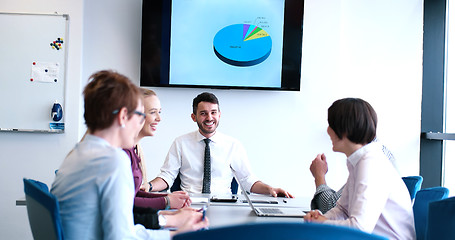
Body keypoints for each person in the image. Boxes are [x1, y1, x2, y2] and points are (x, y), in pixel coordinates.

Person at [51, 70, 208, 240]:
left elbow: (123, 230)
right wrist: (176, 234)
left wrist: (172, 233)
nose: (140, 123)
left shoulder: (78, 154)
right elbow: (121, 237)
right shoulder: (111, 161)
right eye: (141, 115)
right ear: (123, 116)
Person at [304, 98, 415, 240]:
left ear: (344, 129)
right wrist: (320, 218)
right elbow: (342, 210)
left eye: (330, 125)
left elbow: (359, 228)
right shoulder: (360, 161)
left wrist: (323, 223)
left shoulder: (372, 163)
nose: (327, 130)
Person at [149, 92, 293, 197]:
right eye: (203, 113)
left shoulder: (233, 145)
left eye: (213, 112)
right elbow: (167, 176)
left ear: (219, 114)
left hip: (223, 203)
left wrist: (270, 189)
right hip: (188, 203)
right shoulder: (180, 143)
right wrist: (147, 187)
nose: (209, 118)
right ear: (194, 117)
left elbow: (247, 180)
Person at [124, 88, 191, 229]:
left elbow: (134, 194)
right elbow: (126, 202)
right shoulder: (121, 153)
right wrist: (166, 201)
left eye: (159, 112)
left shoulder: (134, 149)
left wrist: (168, 198)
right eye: (152, 112)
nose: (159, 119)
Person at [310, 139, 396, 213]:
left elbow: (331, 207)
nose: (329, 131)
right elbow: (339, 210)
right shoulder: (372, 154)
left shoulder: (373, 161)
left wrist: (319, 176)